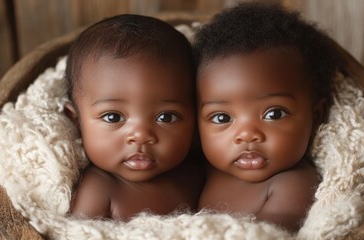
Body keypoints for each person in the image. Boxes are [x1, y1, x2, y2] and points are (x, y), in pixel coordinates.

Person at [193, 3, 342, 232]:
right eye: (222, 118)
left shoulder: (293, 185)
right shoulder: (203, 167)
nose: (247, 134)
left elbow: (264, 236)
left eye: (274, 114)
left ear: (316, 115)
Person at [64, 14, 203, 221]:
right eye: (113, 117)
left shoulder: (197, 174)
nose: (140, 135)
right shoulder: (99, 190)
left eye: (166, 117)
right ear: (76, 121)